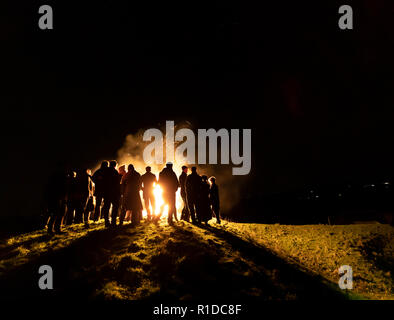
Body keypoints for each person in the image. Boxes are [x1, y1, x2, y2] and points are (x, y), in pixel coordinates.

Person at [46, 164, 70, 234]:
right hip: (57, 197)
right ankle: (52, 228)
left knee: (61, 212)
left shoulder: (61, 176)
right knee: (57, 213)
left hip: (61, 197)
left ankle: (56, 228)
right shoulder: (59, 177)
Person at [101, 160, 122, 227]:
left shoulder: (105, 171)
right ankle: (113, 222)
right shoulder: (114, 171)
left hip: (106, 192)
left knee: (107, 207)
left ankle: (107, 222)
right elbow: (117, 183)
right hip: (113, 193)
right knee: (115, 206)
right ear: (115, 165)